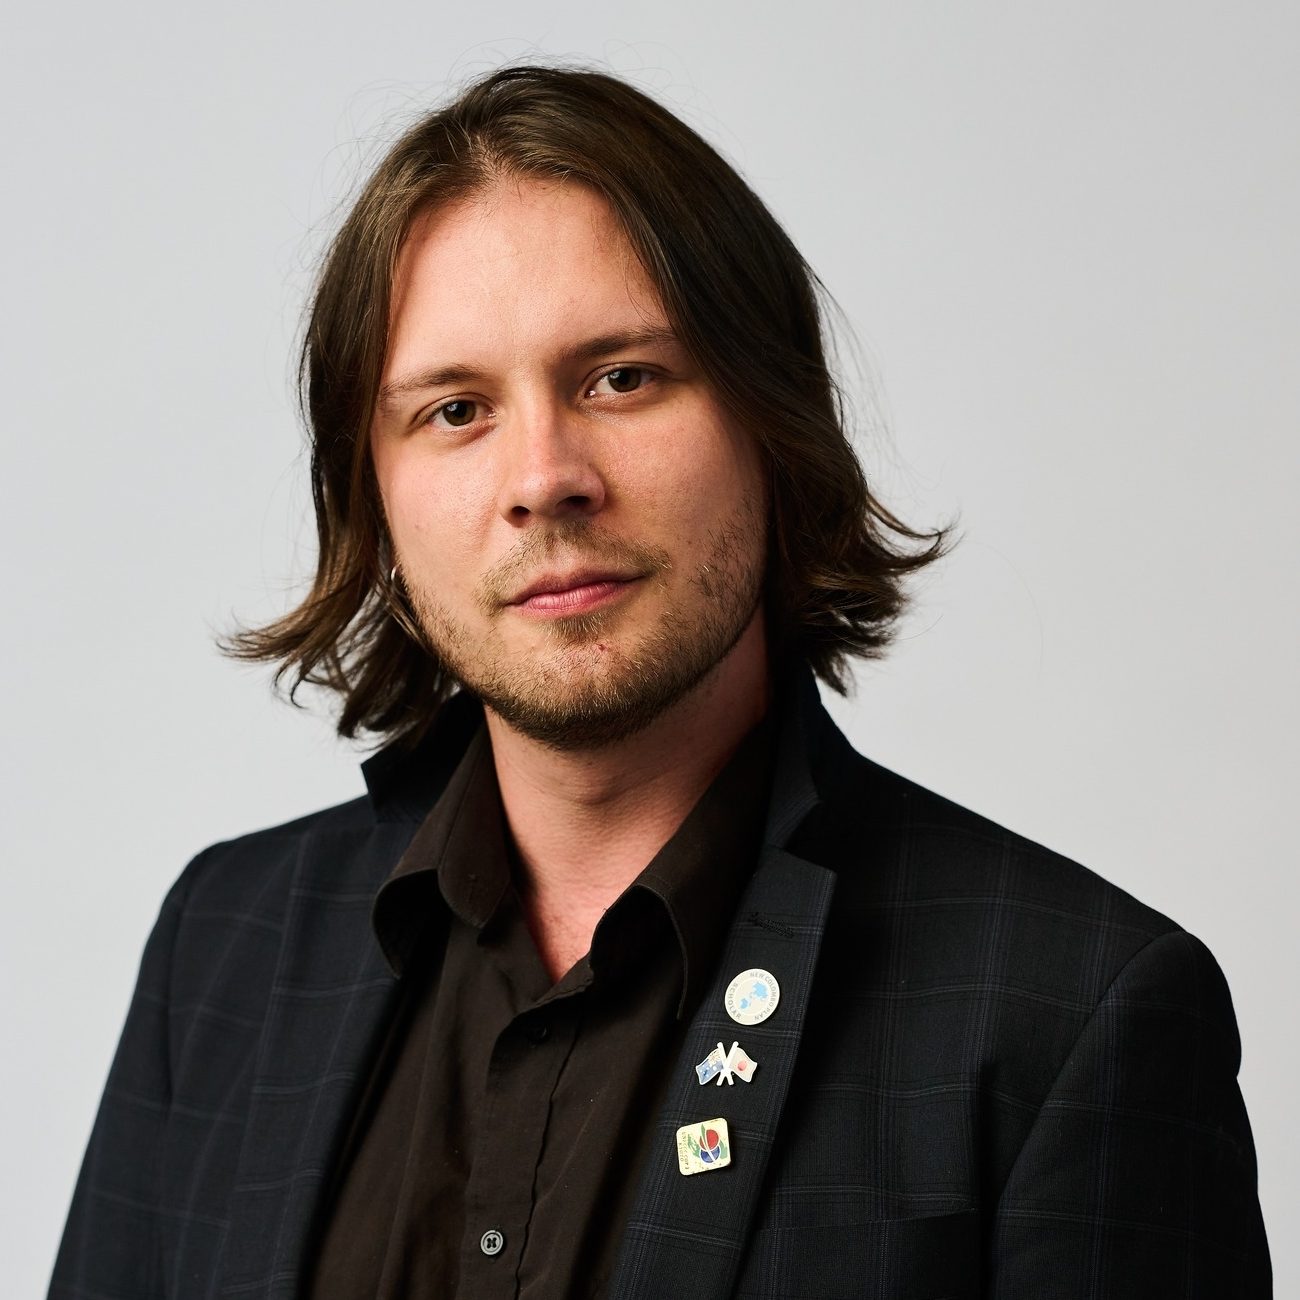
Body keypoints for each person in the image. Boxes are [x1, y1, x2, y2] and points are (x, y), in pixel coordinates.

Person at [49, 65, 1270, 1299]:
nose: (544, 477)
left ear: (772, 421)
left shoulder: (1070, 1015)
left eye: (621, 377)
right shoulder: (224, 946)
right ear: (373, 496)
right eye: (456, 409)